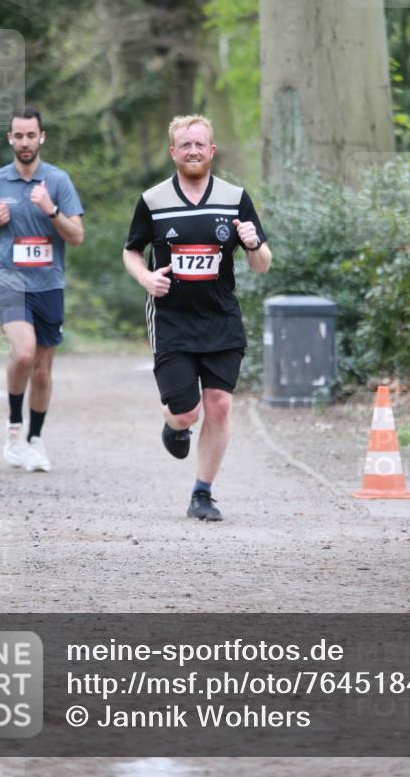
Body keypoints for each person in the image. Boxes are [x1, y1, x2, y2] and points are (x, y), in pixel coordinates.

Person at [123, 114, 272, 521]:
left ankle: (202, 493)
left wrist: (254, 244)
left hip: (220, 316)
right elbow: (131, 251)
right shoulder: (153, 200)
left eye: (199, 144)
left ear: (212, 150)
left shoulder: (234, 197)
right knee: (187, 411)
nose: (192, 151)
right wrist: (146, 277)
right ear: (173, 152)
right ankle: (175, 424)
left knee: (220, 405)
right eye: (185, 145)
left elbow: (262, 264)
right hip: (172, 317)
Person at [0, 107, 84, 472]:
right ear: (10, 138)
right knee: (23, 353)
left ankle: (35, 440)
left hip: (48, 283)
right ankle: (14, 429)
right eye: (17, 136)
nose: (24, 142)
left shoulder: (58, 181)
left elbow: (77, 236)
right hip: (9, 278)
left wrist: (51, 211)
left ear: (41, 137)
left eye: (30, 136)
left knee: (42, 369)